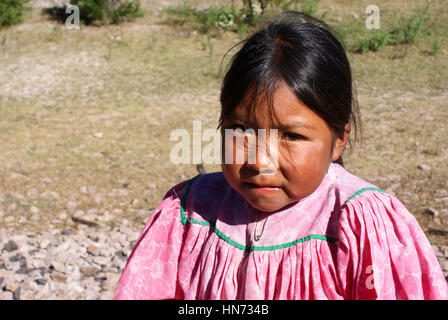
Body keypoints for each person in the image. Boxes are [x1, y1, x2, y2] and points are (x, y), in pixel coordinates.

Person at [114, 12, 448, 300]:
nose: (260, 162)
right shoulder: (188, 212)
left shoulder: (359, 224)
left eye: (291, 136)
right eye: (242, 130)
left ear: (338, 141)